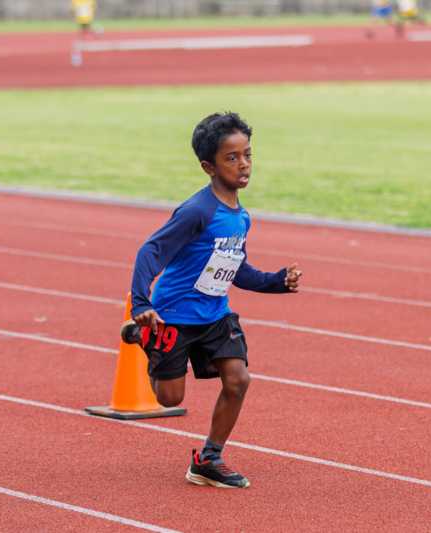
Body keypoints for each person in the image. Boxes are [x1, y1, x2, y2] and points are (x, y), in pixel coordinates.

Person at [122, 112, 302, 489]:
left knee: (238, 379)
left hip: (216, 314)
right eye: (232, 158)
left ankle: (209, 458)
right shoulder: (197, 212)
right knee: (170, 397)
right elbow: (150, 251)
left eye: (248, 155)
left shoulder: (241, 217)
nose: (244, 165)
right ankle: (144, 337)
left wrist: (276, 282)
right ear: (208, 166)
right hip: (174, 314)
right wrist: (141, 305)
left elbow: (237, 270)